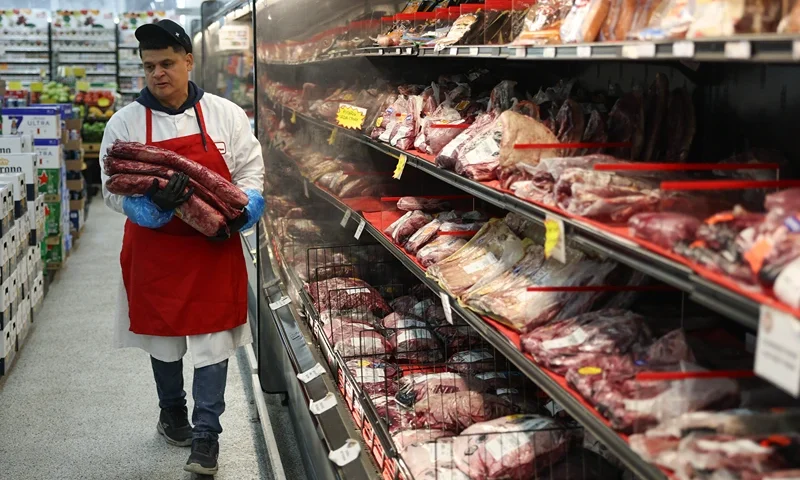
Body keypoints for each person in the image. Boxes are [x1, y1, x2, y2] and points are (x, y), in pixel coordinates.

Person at [99, 19, 265, 476]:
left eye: (167, 63)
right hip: (157, 250)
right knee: (164, 339)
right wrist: (147, 206)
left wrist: (246, 207)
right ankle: (172, 412)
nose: (158, 73)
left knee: (213, 342)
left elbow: (251, 169)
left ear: (188, 61)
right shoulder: (124, 124)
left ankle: (207, 434)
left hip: (211, 246)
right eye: (149, 65)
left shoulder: (226, 114)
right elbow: (110, 188)